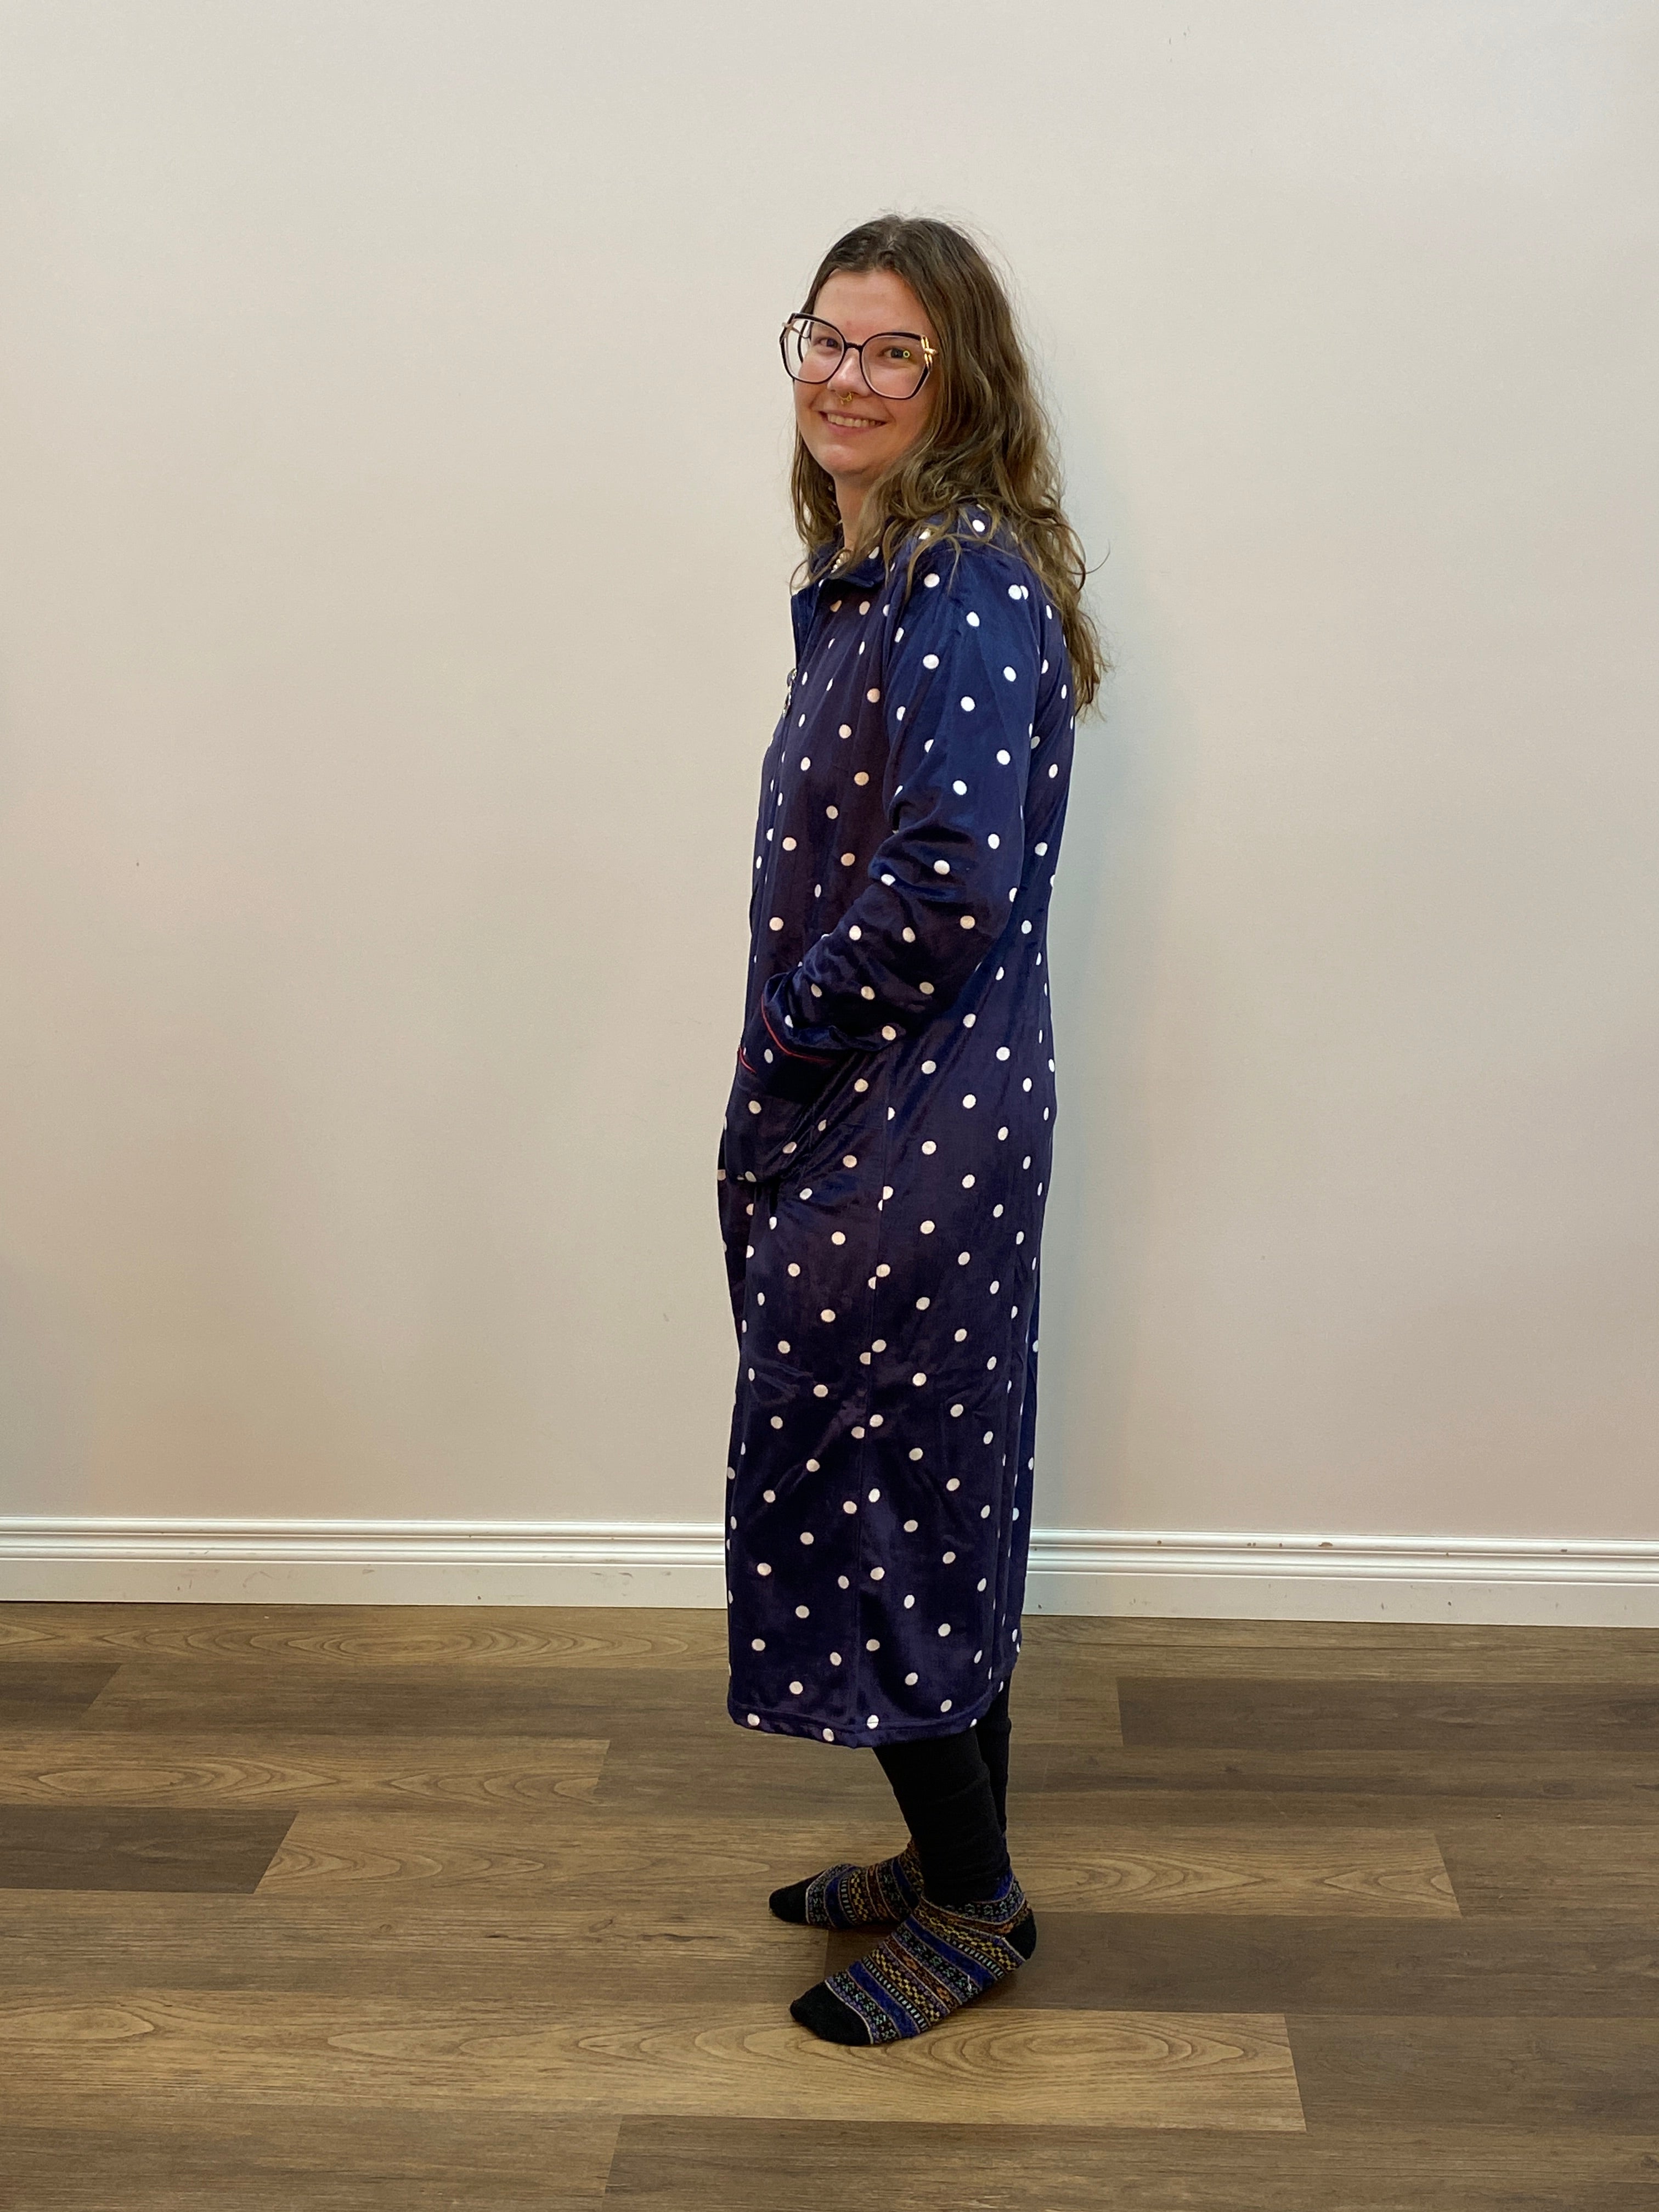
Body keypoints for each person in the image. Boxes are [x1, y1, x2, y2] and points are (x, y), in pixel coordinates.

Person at [716, 213, 1104, 2046]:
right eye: (827, 339)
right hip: (894, 1123)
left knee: (883, 1498)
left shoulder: (956, 584)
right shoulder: (891, 578)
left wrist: (792, 1036)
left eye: (893, 355)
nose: (844, 379)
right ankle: (947, 1847)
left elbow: (947, 882)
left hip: (906, 1135)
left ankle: (974, 1898)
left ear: (960, 387)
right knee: (924, 1489)